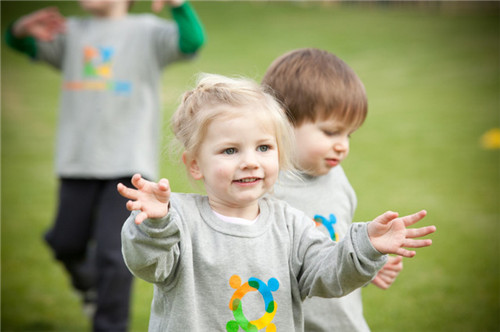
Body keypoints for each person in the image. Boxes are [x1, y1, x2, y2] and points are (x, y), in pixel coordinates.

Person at [117, 73, 436, 331]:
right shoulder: (180, 221)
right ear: (195, 164)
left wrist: (366, 246)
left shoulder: (291, 224)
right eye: (230, 150)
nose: (250, 162)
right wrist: (156, 225)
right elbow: (148, 264)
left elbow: (327, 275)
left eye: (264, 148)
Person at [4, 1, 205, 331]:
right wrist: (18, 31)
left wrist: (179, 5)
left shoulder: (146, 31)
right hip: (77, 162)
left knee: (114, 255)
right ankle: (90, 287)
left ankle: (109, 325)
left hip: (128, 164)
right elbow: (22, 44)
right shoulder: (71, 33)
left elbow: (191, 42)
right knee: (64, 242)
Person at [262, 47, 408, 331]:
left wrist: (364, 265)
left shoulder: (336, 177)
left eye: (348, 134)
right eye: (331, 132)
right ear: (282, 120)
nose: (343, 145)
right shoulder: (262, 188)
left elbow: (339, 243)